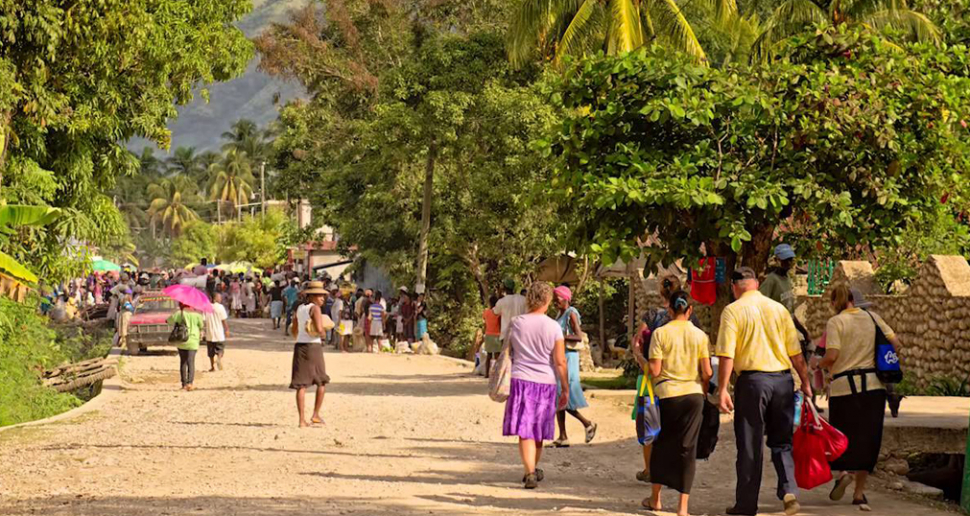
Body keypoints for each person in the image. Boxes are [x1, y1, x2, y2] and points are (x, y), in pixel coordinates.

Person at [715, 267, 813, 516]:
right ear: (756, 284)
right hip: (782, 382)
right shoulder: (779, 310)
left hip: (752, 383)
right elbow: (796, 353)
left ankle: (746, 505)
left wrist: (724, 388)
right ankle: (789, 489)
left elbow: (727, 353)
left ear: (735, 287)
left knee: (750, 445)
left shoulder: (733, 311)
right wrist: (806, 381)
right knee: (782, 441)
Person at [820, 286, 898, 511]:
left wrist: (819, 364)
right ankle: (859, 494)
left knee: (843, 437)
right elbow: (896, 342)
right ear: (855, 300)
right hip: (874, 387)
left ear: (835, 302)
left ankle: (844, 473)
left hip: (845, 388)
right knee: (868, 440)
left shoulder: (836, 322)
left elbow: (832, 354)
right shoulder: (873, 318)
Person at [644, 290, 713, 515]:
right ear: (690, 310)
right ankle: (682, 507)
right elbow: (707, 371)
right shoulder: (700, 336)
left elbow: (654, 370)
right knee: (687, 448)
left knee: (661, 445)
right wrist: (703, 389)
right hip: (693, 396)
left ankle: (656, 499)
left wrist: (641, 361)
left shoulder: (661, 334)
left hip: (667, 395)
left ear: (670, 311)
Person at [502, 282, 568, 490]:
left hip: (521, 380)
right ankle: (532, 468)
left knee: (525, 429)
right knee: (538, 429)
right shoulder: (554, 327)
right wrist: (565, 388)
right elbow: (559, 361)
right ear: (548, 301)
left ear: (530, 298)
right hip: (545, 382)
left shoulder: (516, 323)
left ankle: (530, 471)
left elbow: (508, 351)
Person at [551, 286, 597, 447]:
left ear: (565, 298)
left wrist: (561, 337)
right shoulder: (560, 313)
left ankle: (587, 423)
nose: (555, 303)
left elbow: (578, 336)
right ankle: (563, 435)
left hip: (569, 357)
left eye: (557, 300)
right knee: (559, 397)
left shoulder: (571, 313)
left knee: (562, 396)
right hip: (561, 355)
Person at [290, 281, 333, 427]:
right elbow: (320, 329)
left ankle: (301, 420)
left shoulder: (300, 308)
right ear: (313, 296)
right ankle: (315, 415)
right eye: (320, 296)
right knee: (321, 380)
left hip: (300, 346)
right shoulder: (315, 309)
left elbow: (294, 327)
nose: (323, 298)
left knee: (301, 384)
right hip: (313, 346)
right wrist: (324, 333)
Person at [761, 244, 811, 351]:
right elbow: (760, 306)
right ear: (777, 260)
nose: (788, 263)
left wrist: (804, 332)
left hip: (787, 331)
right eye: (785, 260)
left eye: (790, 260)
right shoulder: (771, 281)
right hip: (775, 333)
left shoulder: (787, 279)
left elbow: (790, 313)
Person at [168, 302, 205, 391]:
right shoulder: (197, 315)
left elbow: (168, 321)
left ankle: (184, 384)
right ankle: (190, 383)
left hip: (182, 341)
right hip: (193, 341)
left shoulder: (179, 313)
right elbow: (201, 326)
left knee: (183, 362)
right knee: (191, 362)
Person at [493, 279, 527, 345]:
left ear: (504, 288)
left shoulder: (501, 301)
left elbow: (495, 312)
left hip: (506, 334)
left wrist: (499, 295)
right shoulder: (523, 299)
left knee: (506, 355)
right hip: (521, 334)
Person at [204, 292, 230, 372]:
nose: (221, 299)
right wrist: (227, 330)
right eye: (219, 297)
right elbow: (224, 320)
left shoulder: (206, 307)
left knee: (211, 352)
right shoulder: (220, 307)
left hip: (210, 334)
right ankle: (218, 358)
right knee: (220, 349)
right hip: (219, 333)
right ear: (215, 298)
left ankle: (212, 367)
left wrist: (203, 331)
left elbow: (203, 320)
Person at [482, 296, 502, 378]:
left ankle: (487, 373)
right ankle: (497, 373)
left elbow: (484, 323)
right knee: (497, 355)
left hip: (488, 334)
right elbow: (500, 324)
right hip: (497, 334)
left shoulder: (486, 312)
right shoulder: (498, 313)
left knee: (489, 356)